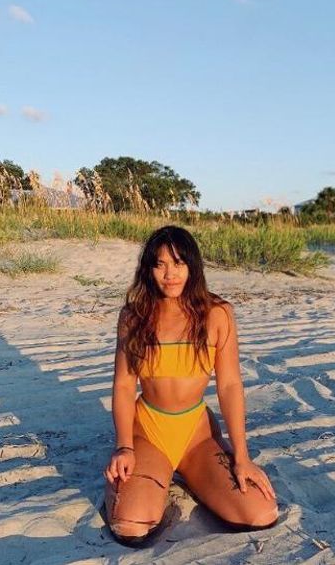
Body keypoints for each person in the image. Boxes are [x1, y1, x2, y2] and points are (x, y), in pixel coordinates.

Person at [104, 225, 278, 547]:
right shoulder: (134, 316)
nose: (170, 274)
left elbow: (229, 386)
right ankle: (148, 477)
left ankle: (190, 473)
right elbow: (125, 385)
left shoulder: (218, 314)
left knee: (260, 513)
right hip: (149, 432)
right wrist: (124, 445)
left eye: (179, 263)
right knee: (131, 525)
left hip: (196, 435)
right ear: (149, 269)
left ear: (193, 266)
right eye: (160, 264)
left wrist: (241, 455)